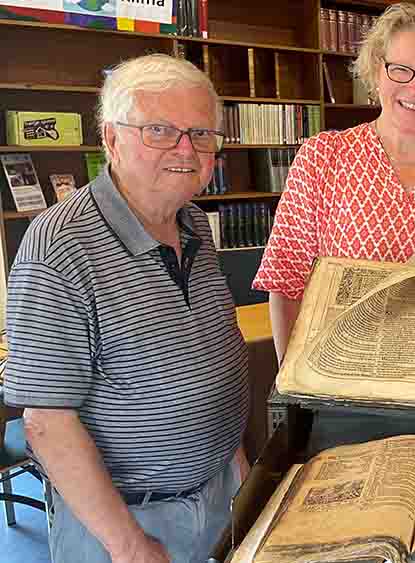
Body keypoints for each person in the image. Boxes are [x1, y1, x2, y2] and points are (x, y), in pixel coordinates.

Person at [3, 54, 249, 563]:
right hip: (128, 522)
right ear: (111, 139)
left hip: (218, 492)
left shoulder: (194, 223)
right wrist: (128, 544)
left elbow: (213, 363)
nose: (187, 150)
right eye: (160, 130)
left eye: (201, 134)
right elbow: (47, 420)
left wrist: (236, 467)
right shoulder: (57, 248)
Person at [253, 3, 415, 447]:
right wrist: (294, 386)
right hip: (346, 391)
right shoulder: (323, 156)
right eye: (402, 70)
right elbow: (286, 277)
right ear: (376, 71)